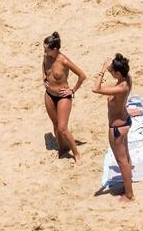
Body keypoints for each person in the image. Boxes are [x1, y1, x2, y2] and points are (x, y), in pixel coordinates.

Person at [92, 55, 133, 201]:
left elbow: (95, 89)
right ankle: (128, 182)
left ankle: (129, 194)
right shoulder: (127, 78)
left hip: (117, 128)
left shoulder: (120, 88)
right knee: (126, 157)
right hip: (125, 122)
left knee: (122, 161)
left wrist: (103, 70)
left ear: (117, 73)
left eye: (112, 71)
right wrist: (112, 64)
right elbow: (117, 71)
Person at [42, 32, 86, 161]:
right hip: (49, 94)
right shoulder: (46, 56)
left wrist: (72, 91)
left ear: (55, 49)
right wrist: (43, 77)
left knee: (62, 128)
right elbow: (44, 66)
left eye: (46, 49)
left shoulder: (64, 61)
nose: (44, 51)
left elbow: (82, 75)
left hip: (63, 97)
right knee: (55, 124)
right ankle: (62, 148)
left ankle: (76, 154)